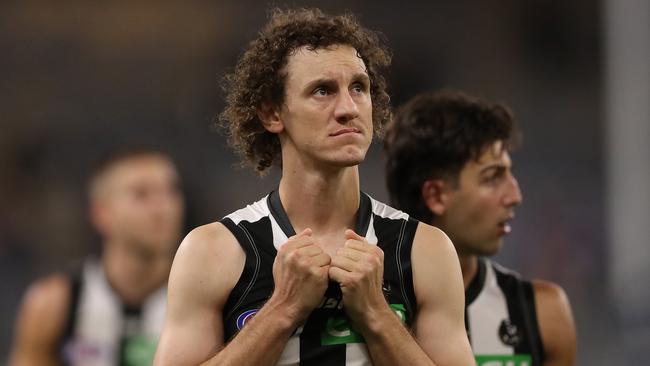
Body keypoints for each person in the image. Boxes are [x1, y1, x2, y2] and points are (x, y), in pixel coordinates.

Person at [154, 8, 474, 366]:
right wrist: (282, 309)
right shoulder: (212, 250)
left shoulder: (424, 249)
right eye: (323, 91)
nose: (348, 108)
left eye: (359, 87)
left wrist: (377, 316)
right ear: (272, 114)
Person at [384, 90, 577, 366]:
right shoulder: (361, 304)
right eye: (493, 177)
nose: (515, 196)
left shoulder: (544, 314)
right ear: (436, 196)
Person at [10, 147, 185, 366]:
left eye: (170, 191)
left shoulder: (206, 298)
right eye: (141, 194)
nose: (162, 208)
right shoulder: (54, 304)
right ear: (101, 213)